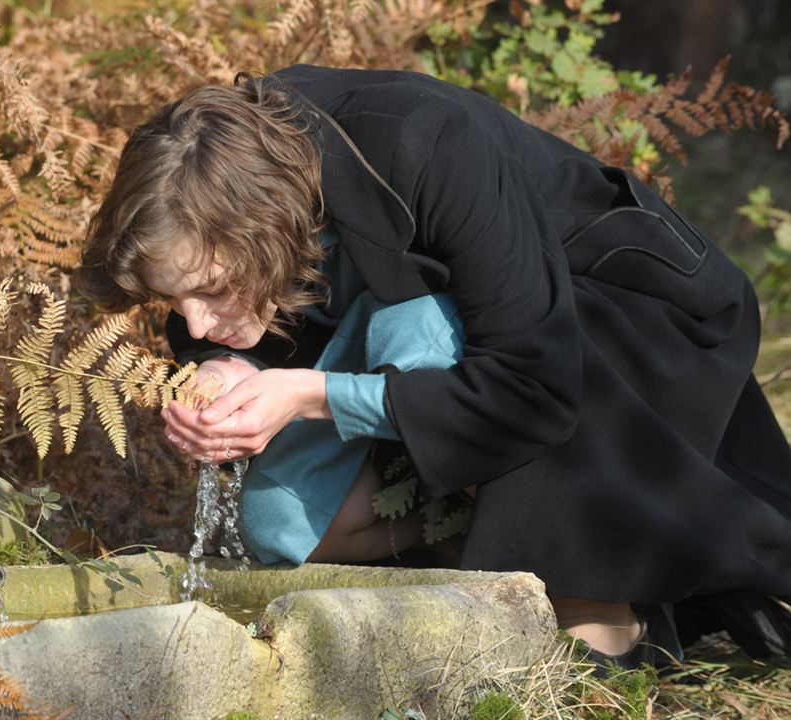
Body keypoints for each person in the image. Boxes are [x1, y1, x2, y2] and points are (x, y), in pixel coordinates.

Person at [75, 64, 791, 670]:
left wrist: (307, 393)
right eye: (174, 300)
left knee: (416, 322)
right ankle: (475, 531)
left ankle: (604, 611)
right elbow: (227, 322)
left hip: (624, 328)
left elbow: (530, 383)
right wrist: (225, 364)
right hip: (432, 353)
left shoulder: (425, 140)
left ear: (261, 227)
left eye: (209, 291)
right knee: (280, 526)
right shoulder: (223, 186)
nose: (191, 322)